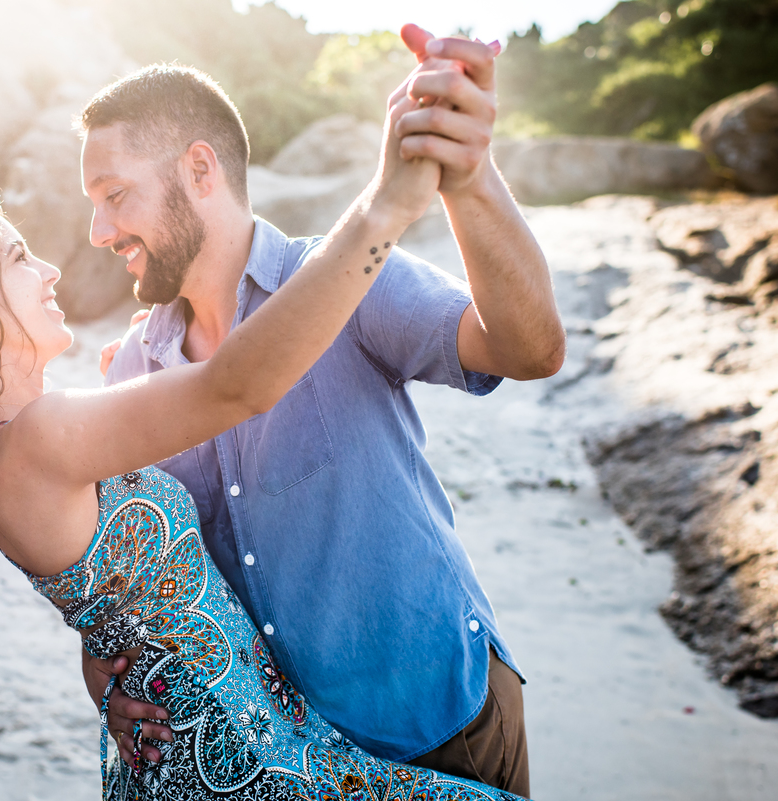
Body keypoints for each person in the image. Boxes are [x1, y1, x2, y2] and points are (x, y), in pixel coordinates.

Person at [0, 40, 531, 798]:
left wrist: (107, 661)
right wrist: (387, 201)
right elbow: (235, 386)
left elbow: (114, 590)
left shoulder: (34, 435)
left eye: (112, 196)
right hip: (243, 760)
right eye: (21, 257)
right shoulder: (38, 439)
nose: (57, 264)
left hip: (268, 735)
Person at [85, 26, 562, 799]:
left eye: (115, 196)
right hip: (278, 768)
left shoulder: (347, 277)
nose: (99, 232)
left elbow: (529, 346)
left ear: (199, 169)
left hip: (436, 729)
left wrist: (467, 179)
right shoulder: (134, 370)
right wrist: (104, 672)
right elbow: (144, 580)